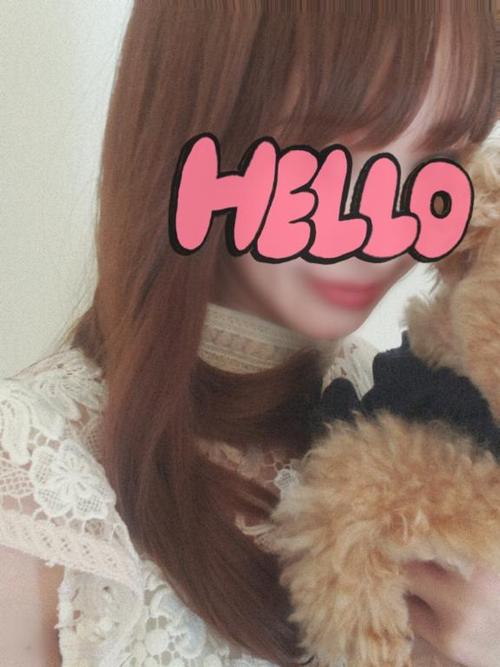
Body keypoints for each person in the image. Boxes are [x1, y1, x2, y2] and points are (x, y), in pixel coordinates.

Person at [0, 2, 498, 666]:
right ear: (198, 114)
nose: (383, 218)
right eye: (332, 145)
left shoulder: (414, 407)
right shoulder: (36, 484)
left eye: (442, 154)